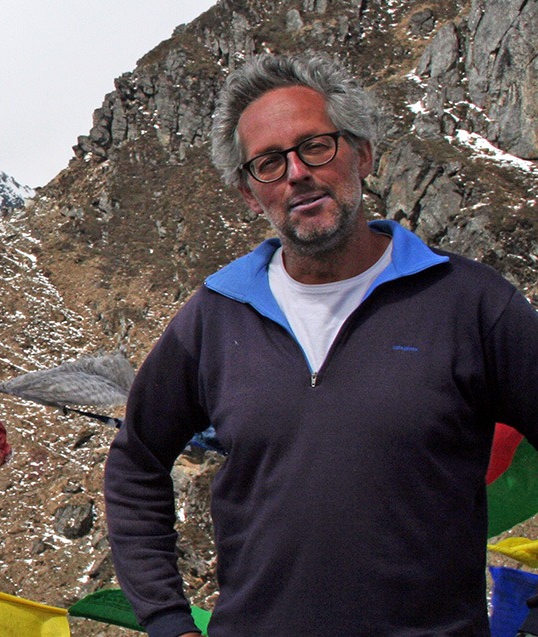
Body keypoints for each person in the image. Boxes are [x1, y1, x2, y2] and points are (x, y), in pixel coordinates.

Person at [102, 52, 538, 637]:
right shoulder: (215, 316)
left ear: (362, 153)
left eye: (315, 147)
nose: (296, 174)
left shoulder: (471, 304)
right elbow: (137, 461)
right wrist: (166, 619)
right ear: (250, 195)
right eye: (268, 163)